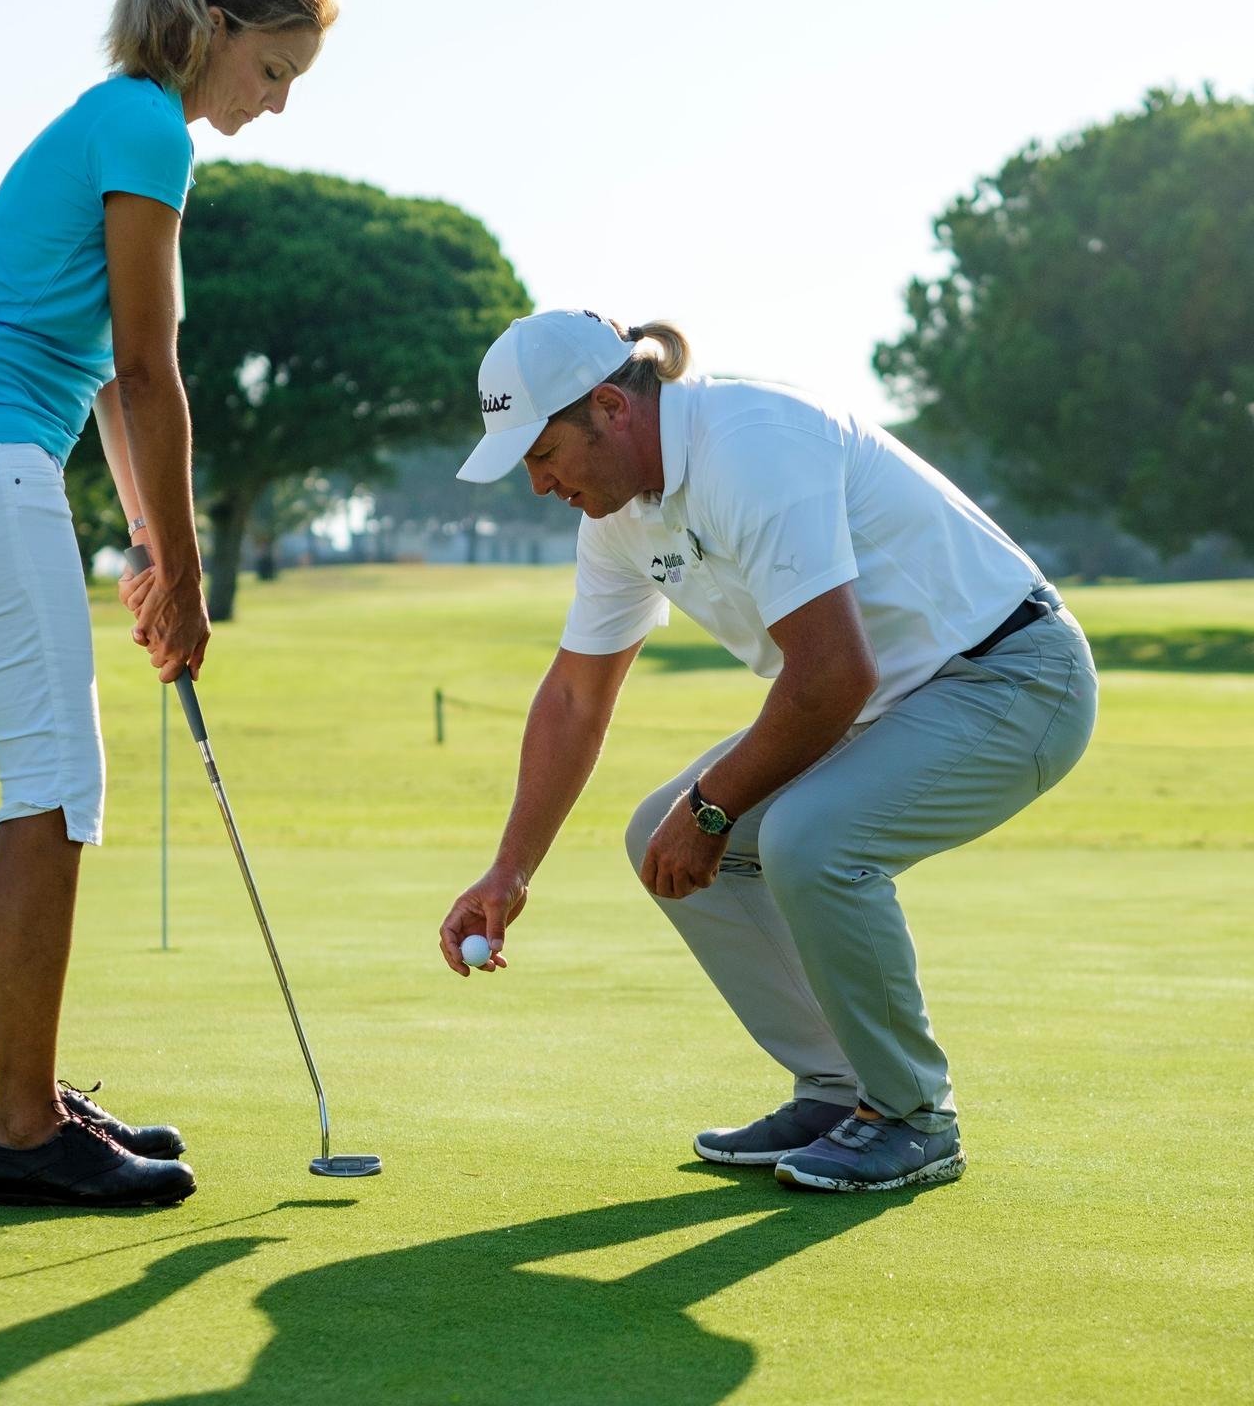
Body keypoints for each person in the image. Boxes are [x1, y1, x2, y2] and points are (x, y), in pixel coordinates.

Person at [0, 0, 335, 1207]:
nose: (278, 104)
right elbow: (148, 367)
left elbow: (117, 397)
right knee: (57, 781)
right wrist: (181, 581)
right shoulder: (148, 128)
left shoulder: (124, 119)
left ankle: (35, 1096)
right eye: (276, 71)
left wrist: (147, 539)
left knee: (60, 778)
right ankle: (23, 1133)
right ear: (220, 31)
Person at [437, 310, 1098, 1191]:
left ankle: (913, 1114)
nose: (537, 484)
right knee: (653, 835)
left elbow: (832, 675)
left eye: (543, 453)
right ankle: (839, 1089)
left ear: (609, 407)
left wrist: (712, 808)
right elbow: (574, 695)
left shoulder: (750, 444)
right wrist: (509, 871)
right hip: (888, 703)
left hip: (1014, 677)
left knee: (807, 839)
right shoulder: (617, 520)